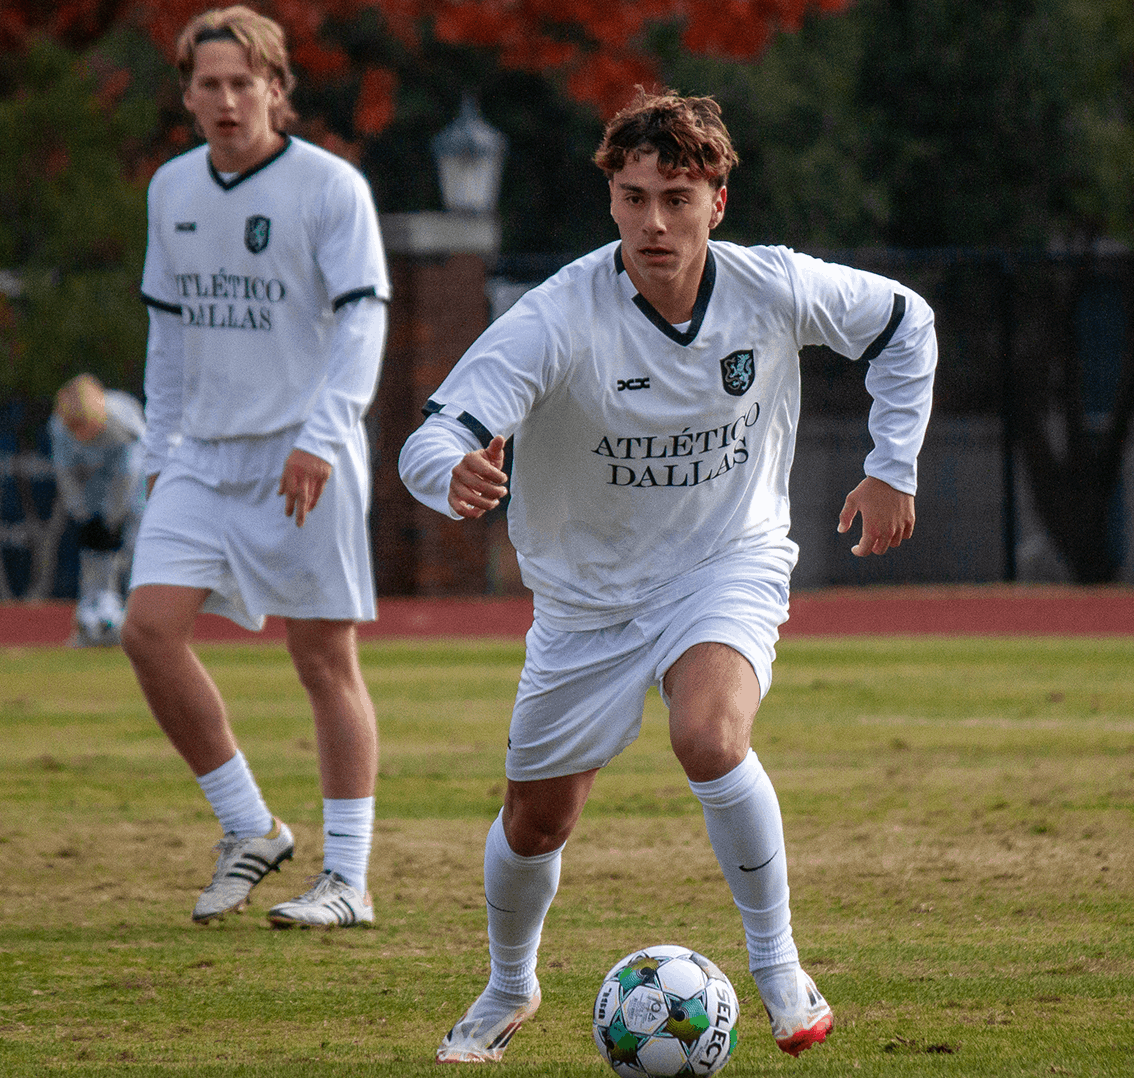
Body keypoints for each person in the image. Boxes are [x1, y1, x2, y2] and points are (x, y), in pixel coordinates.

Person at [399, 91, 937, 1062]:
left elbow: (906, 322)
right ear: (609, 196)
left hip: (722, 563)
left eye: (678, 198)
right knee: (535, 817)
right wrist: (451, 466)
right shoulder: (557, 316)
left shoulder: (772, 287)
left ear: (716, 202)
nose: (655, 222)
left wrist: (891, 462)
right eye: (635, 196)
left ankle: (777, 968)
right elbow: (433, 431)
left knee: (708, 731)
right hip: (587, 598)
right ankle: (507, 984)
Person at [124, 5, 389, 928]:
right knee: (147, 631)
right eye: (211, 84)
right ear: (188, 95)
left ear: (277, 88)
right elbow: (167, 332)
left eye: (246, 82)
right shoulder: (171, 189)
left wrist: (322, 435)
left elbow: (364, 319)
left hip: (303, 452)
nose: (229, 100)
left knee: (322, 657)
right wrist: (159, 455)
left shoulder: (329, 188)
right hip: (201, 456)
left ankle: (347, 879)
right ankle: (249, 826)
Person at [50, 373, 148, 647]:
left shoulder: (123, 424)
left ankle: (137, 627)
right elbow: (66, 474)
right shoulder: (60, 427)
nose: (80, 437)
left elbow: (128, 476)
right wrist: (83, 516)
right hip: (93, 489)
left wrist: (112, 520)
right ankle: (91, 622)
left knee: (133, 552)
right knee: (93, 556)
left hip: (133, 494)